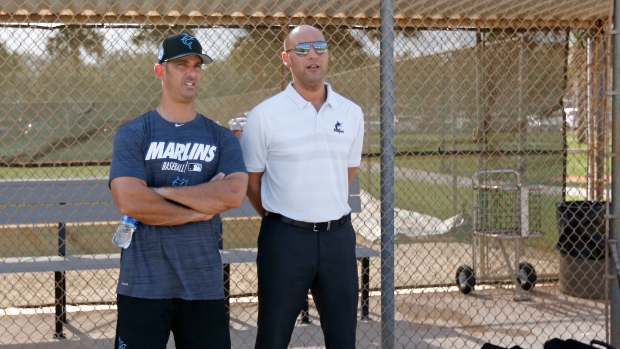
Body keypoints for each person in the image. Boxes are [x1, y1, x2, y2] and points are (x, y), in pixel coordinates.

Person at [109, 32, 248, 349]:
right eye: (181, 64)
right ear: (160, 71)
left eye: (197, 65)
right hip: (143, 285)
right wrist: (202, 208)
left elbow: (233, 194)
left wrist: (157, 194)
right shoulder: (134, 132)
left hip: (203, 286)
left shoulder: (221, 137)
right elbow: (130, 199)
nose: (191, 72)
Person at [241, 25, 365, 349]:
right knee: (272, 337)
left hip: (338, 240)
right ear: (286, 59)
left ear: (328, 55)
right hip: (284, 241)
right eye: (302, 49)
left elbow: (346, 173)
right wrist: (284, 217)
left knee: (343, 340)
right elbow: (251, 183)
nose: (312, 54)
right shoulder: (264, 116)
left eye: (319, 47)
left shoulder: (352, 113)